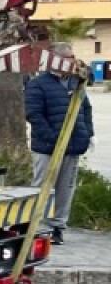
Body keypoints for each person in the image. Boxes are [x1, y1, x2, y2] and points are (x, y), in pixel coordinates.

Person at [24, 42, 94, 245]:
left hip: (73, 145)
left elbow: (85, 108)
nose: (74, 61)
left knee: (66, 187)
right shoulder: (38, 84)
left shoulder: (76, 82)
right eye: (69, 58)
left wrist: (88, 134)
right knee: (42, 186)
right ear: (56, 60)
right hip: (47, 147)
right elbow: (34, 114)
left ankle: (57, 227)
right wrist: (53, 138)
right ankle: (37, 225)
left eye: (73, 57)